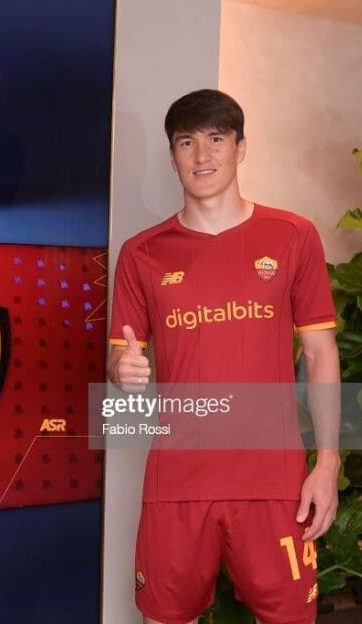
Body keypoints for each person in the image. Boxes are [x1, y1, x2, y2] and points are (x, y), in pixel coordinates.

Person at [107, 89, 341, 624]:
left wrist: (327, 463)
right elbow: (121, 357)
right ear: (172, 157)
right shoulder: (142, 253)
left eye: (216, 139)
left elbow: (320, 354)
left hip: (274, 482)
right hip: (177, 482)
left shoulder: (292, 236)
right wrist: (122, 369)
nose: (203, 155)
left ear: (241, 148)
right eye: (186, 142)